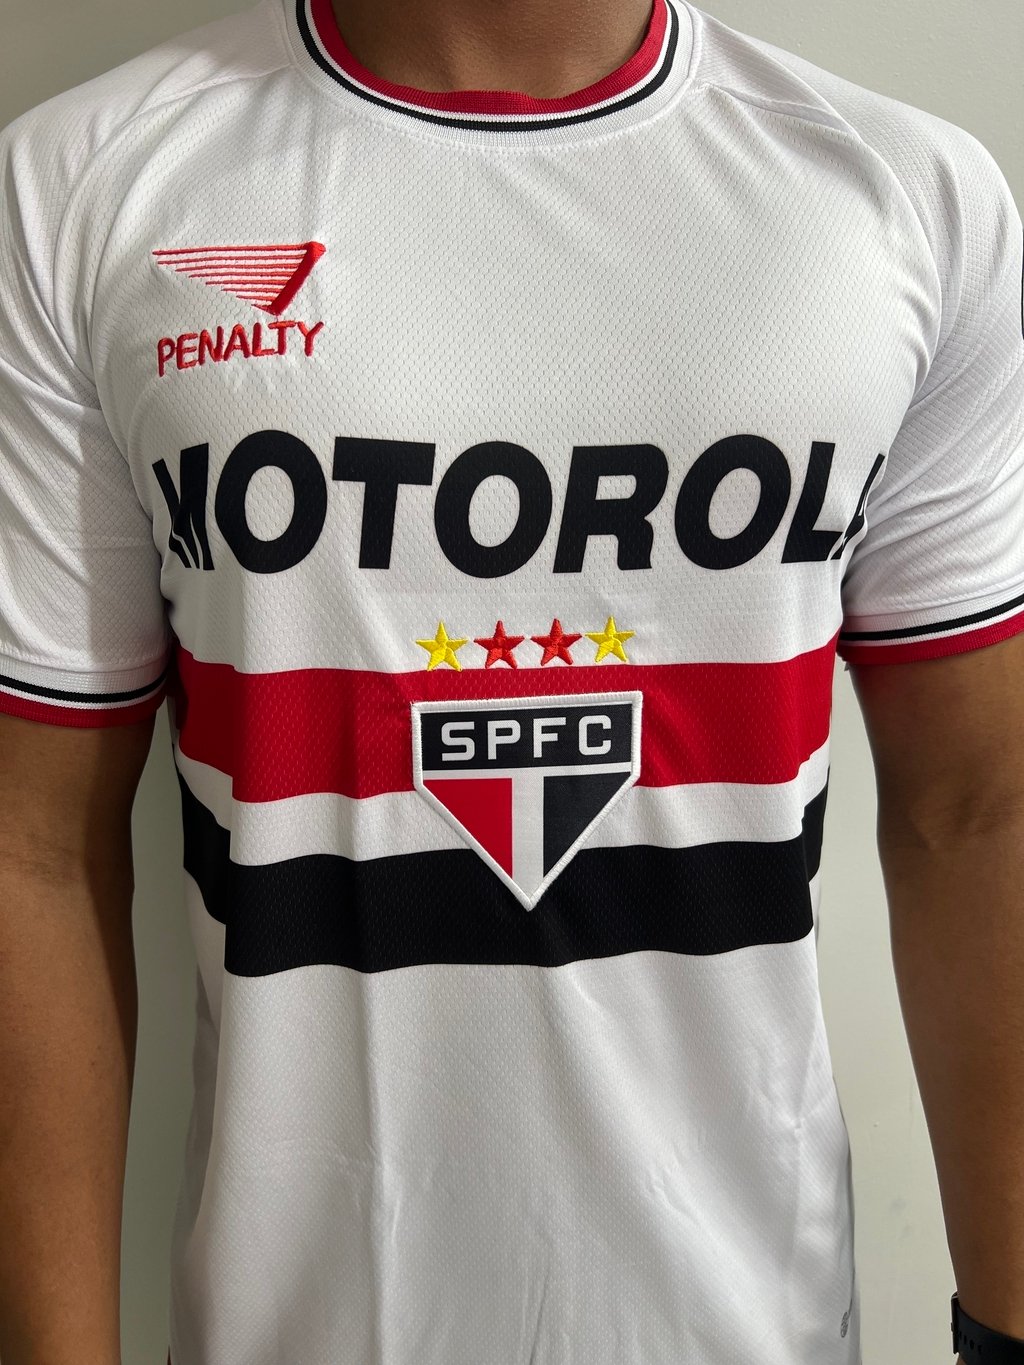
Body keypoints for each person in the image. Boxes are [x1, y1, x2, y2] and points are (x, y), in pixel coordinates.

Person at [0, 0, 1022, 1361]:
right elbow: (31, 844)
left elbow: (980, 812)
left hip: (753, 1319)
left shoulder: (905, 200)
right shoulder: (84, 186)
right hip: (291, 1324)